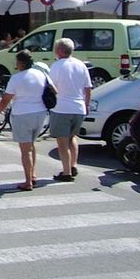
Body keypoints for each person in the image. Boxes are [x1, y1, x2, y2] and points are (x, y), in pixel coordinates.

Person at [0, 50, 50, 191]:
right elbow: (53, 89)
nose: (15, 64)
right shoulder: (41, 74)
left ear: (21, 63)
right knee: (31, 145)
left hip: (23, 114)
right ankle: (33, 175)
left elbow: (6, 99)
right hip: (40, 113)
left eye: (17, 61)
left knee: (25, 150)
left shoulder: (16, 78)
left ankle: (28, 182)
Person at [48, 37, 92, 182]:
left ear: (60, 50)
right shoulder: (81, 64)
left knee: (62, 142)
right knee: (72, 138)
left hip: (62, 108)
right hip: (79, 107)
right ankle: (73, 165)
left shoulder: (57, 66)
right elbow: (88, 88)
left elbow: (51, 86)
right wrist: (87, 104)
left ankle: (66, 172)